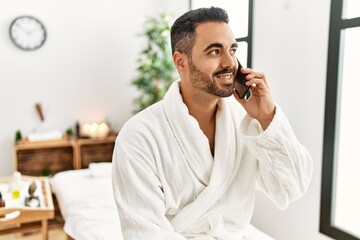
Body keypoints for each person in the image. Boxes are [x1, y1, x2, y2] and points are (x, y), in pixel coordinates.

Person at [112, 7, 312, 240]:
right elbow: (144, 232)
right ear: (181, 62)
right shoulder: (140, 135)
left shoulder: (245, 122)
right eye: (215, 51)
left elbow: (293, 187)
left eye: (233, 50)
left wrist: (267, 117)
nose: (230, 63)